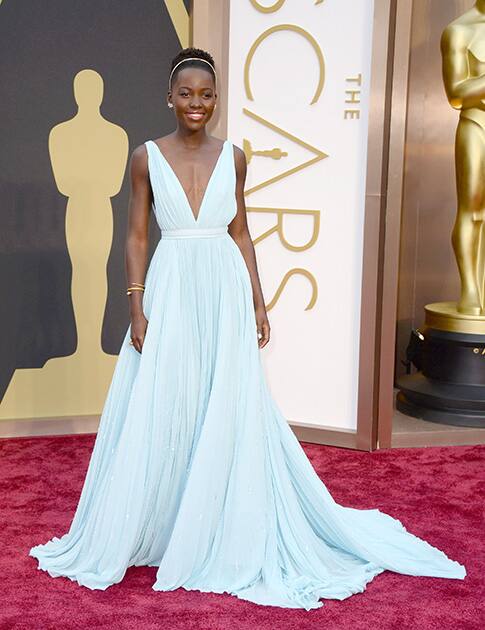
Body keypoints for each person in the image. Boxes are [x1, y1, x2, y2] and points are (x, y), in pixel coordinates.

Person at [29, 47, 466, 611]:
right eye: (186, 93)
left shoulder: (234, 157)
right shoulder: (144, 157)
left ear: (217, 100)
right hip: (172, 286)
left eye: (206, 95)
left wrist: (259, 302)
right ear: (169, 97)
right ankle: (164, 524)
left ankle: (214, 521)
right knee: (165, 399)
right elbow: (137, 236)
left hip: (222, 289)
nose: (196, 103)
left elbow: (240, 233)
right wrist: (136, 306)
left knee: (223, 400)